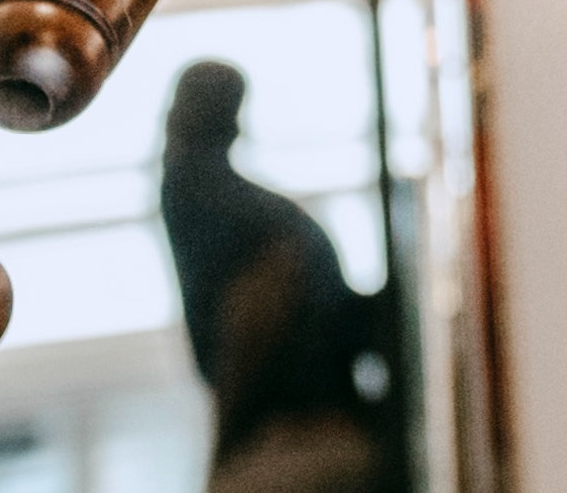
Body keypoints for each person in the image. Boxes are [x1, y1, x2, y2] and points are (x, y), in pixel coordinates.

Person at [155, 62, 396, 493]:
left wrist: (221, 455)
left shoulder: (216, 206)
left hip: (308, 439)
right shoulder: (234, 210)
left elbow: (255, 315)